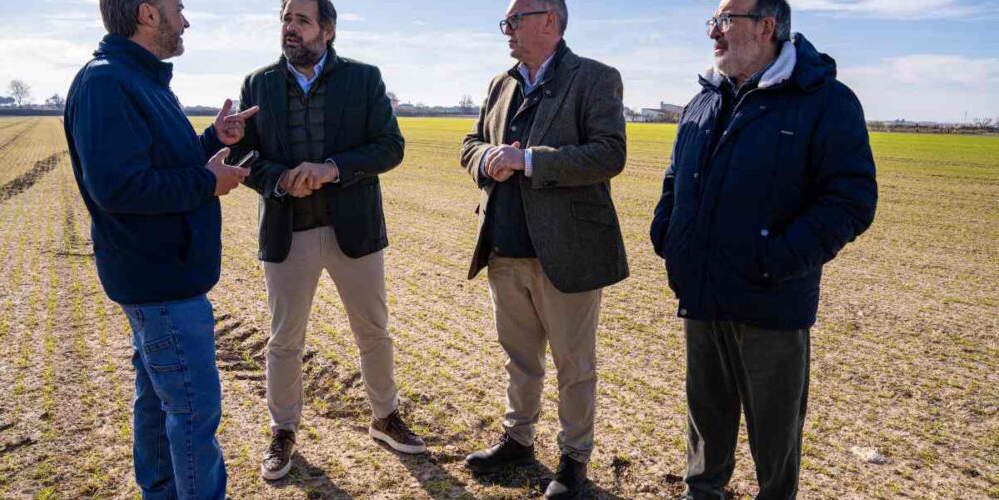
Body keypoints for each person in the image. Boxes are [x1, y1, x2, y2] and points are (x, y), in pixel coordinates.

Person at [650, 0, 878, 497]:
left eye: (726, 19)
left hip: (771, 303)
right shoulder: (703, 100)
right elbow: (674, 180)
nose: (714, 31)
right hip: (702, 293)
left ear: (768, 27)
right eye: (712, 20)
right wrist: (668, 236)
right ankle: (702, 491)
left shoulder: (825, 101)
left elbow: (851, 199)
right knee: (706, 422)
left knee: (775, 437)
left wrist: (776, 258)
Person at [64, 0, 259, 498]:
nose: (185, 20)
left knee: (158, 403)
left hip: (162, 278)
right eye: (178, 8)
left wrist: (212, 140)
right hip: (160, 281)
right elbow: (120, 188)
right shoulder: (107, 82)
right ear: (148, 14)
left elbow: (155, 164)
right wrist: (205, 182)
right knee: (194, 410)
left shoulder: (141, 80)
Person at [231, 0, 424, 482]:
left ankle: (384, 416)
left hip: (353, 232)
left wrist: (331, 168)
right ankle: (282, 431)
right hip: (287, 233)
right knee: (284, 340)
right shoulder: (259, 83)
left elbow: (390, 146)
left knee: (373, 331)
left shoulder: (364, 79)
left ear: (328, 30)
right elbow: (242, 153)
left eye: (301, 20)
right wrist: (279, 179)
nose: (289, 28)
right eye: (285, 20)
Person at [459, 1, 629, 498]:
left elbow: (609, 153)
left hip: (567, 253)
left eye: (515, 20)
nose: (506, 30)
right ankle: (518, 439)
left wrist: (529, 160)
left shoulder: (596, 79)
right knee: (519, 358)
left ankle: (574, 461)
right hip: (504, 247)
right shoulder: (500, 84)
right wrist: (485, 157)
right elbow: (471, 141)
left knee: (574, 366)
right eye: (506, 22)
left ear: (549, 21)